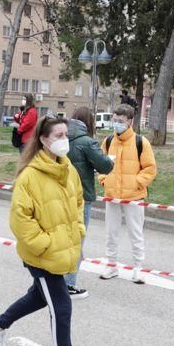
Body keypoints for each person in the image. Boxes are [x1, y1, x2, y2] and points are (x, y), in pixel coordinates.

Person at [0, 115, 93, 346]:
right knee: (62, 305)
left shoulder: (68, 170)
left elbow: (78, 202)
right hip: (42, 254)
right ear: (43, 140)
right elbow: (21, 221)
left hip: (63, 249)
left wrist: (78, 229)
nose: (63, 140)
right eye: (58, 136)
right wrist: (45, 244)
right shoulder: (29, 176)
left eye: (65, 134)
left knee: (39, 298)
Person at [98, 103, 157, 284]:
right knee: (111, 232)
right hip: (112, 194)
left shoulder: (141, 142)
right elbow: (100, 164)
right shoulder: (108, 141)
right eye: (115, 120)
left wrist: (137, 184)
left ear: (130, 122)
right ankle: (111, 265)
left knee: (136, 233)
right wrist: (104, 179)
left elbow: (150, 168)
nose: (117, 124)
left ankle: (138, 268)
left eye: (121, 121)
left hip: (134, 196)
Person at [65, 107, 115, 299]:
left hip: (60, 195)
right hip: (81, 196)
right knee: (77, 240)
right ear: (89, 122)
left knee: (64, 238)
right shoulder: (86, 142)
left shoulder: (59, 137)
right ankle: (69, 284)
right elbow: (105, 165)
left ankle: (58, 281)